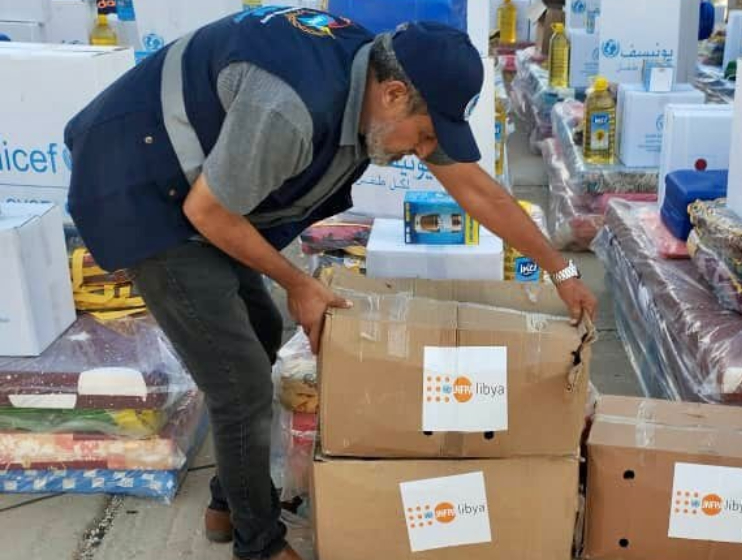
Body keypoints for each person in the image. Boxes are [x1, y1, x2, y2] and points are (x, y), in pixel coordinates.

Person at [65, 7, 597, 560]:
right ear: (393, 95)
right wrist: (301, 283)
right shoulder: (291, 109)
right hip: (144, 186)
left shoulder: (381, 74)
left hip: (203, 181)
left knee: (260, 328)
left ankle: (231, 497)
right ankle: (259, 544)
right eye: (425, 136)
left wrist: (560, 270)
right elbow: (210, 213)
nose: (422, 152)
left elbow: (477, 190)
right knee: (239, 379)